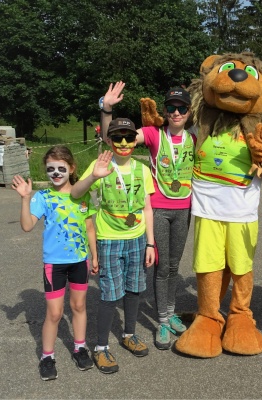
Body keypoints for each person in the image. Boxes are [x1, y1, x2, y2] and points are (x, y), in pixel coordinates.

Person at [100, 82, 195, 350]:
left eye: (182, 108)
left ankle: (170, 310)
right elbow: (116, 135)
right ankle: (162, 320)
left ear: (189, 111)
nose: (176, 113)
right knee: (162, 267)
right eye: (171, 108)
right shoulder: (154, 134)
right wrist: (106, 108)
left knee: (175, 266)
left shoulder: (195, 138)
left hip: (184, 210)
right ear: (164, 110)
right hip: (159, 209)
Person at [71, 118, 156, 374]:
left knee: (134, 289)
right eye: (117, 137)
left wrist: (151, 243)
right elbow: (75, 193)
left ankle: (129, 333)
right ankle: (100, 348)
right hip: (108, 239)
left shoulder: (141, 170)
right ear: (109, 141)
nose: (123, 142)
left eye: (128, 137)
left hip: (138, 238)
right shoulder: (101, 165)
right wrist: (93, 176)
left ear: (135, 141)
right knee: (109, 294)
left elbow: (147, 208)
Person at [12, 145, 97, 381]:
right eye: (51, 169)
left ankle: (80, 348)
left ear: (71, 168)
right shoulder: (43, 197)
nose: (56, 173)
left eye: (61, 168)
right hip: (54, 265)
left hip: (79, 261)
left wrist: (95, 255)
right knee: (55, 313)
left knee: (79, 307)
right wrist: (25, 198)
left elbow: (90, 227)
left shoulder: (82, 195)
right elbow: (27, 225)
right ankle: (47, 356)